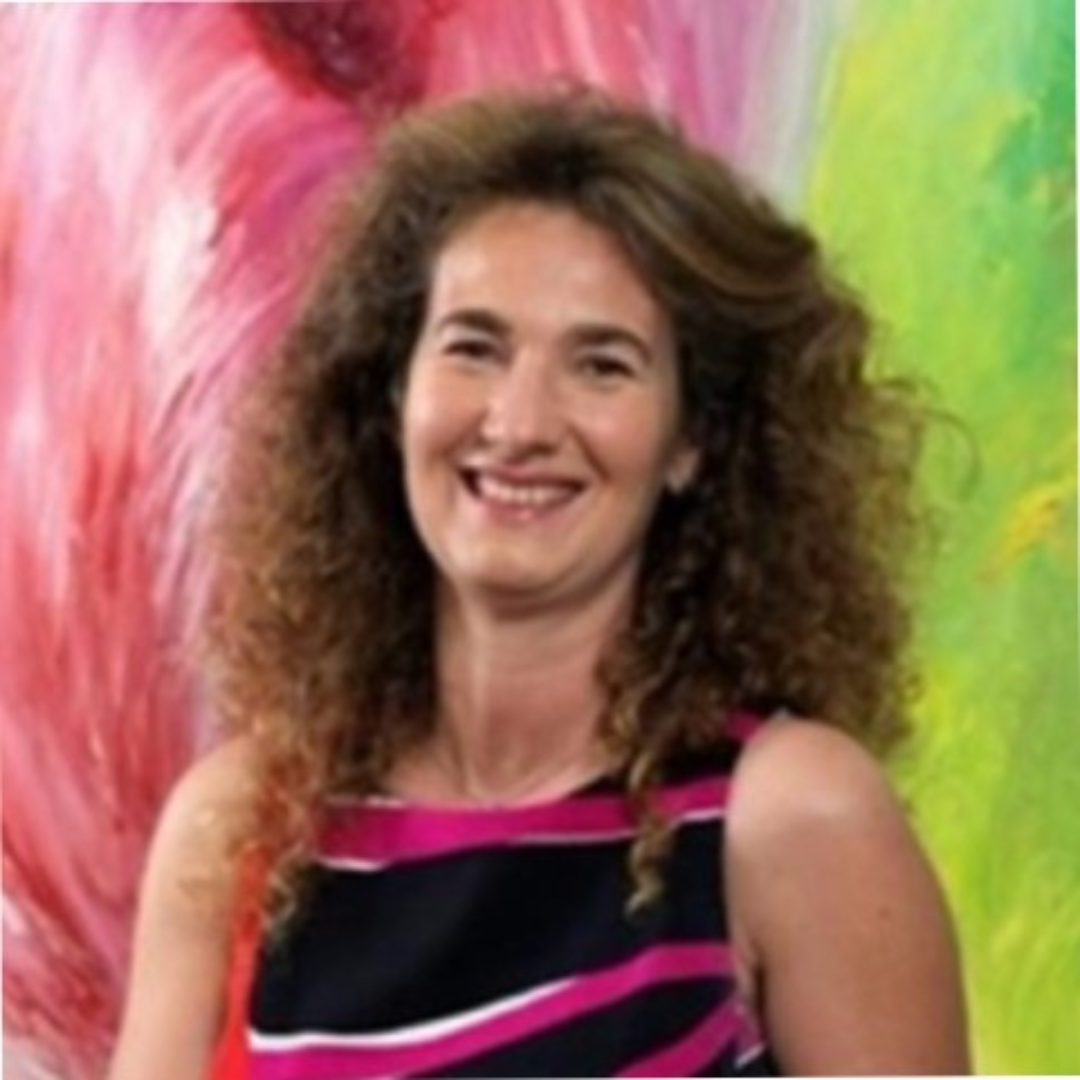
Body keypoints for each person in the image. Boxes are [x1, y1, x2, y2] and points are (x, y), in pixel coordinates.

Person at [108, 87, 969, 1078]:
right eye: (474, 348)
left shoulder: (791, 819)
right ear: (394, 392)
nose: (519, 424)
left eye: (602, 366)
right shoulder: (244, 828)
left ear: (691, 438)